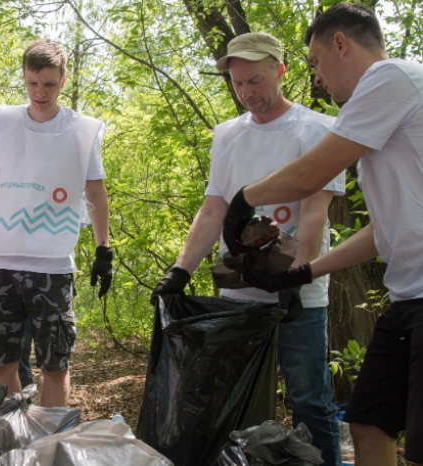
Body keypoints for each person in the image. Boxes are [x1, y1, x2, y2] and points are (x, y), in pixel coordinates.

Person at [220, 4, 423, 466]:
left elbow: (312, 173)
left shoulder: (391, 77)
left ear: (340, 44)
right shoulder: (383, 121)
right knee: (369, 421)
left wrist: (244, 199)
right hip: (408, 298)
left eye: (314, 63)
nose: (317, 79)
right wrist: (302, 273)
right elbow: (383, 232)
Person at [152, 32, 345, 466]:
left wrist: (297, 277)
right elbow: (212, 210)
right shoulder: (227, 135)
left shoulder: (320, 129)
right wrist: (180, 270)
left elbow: (314, 214)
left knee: (309, 399)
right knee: (234, 399)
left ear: (280, 70)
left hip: (299, 295)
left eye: (255, 81)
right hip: (238, 293)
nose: (247, 94)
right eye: (239, 84)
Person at [0, 39, 112, 407]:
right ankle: (12, 445)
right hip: (1, 264)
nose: (40, 92)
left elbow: (96, 193)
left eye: (49, 84)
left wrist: (104, 249)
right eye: (33, 83)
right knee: (4, 364)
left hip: (53, 268)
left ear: (64, 79)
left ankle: (50, 447)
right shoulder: (3, 122)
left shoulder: (82, 130)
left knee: (55, 366)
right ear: (24, 77)